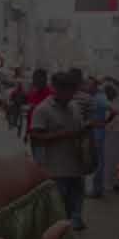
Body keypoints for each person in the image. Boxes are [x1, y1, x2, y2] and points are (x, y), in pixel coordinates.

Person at [30, 72, 88, 230]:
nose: (70, 95)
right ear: (56, 89)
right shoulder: (43, 109)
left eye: (72, 91)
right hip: (56, 168)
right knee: (59, 203)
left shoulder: (74, 107)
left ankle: (73, 222)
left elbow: (79, 128)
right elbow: (35, 136)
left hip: (76, 165)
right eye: (66, 91)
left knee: (76, 200)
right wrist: (61, 135)